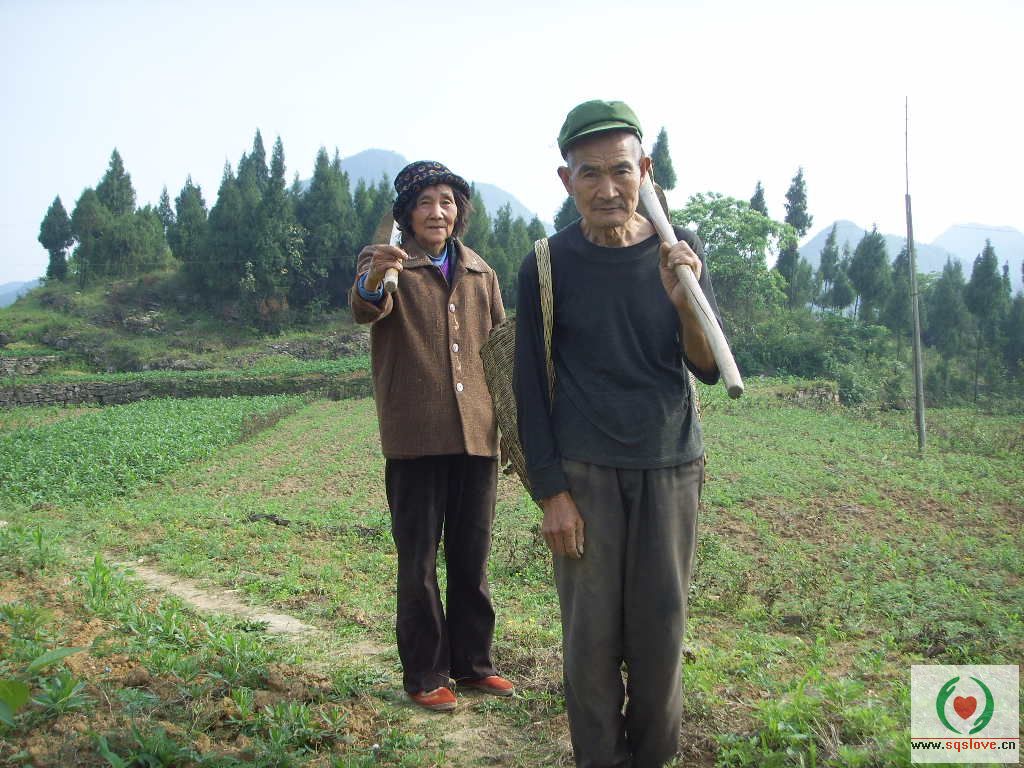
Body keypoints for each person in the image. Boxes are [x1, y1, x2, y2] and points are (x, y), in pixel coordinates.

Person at [513, 101, 724, 767]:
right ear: (566, 179)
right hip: (585, 475)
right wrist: (551, 493)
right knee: (590, 645)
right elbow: (527, 386)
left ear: (646, 171)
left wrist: (683, 301)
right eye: (590, 174)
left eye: (621, 171)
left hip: (670, 466)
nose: (607, 189)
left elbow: (706, 365)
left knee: (661, 641)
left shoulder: (678, 250)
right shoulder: (547, 264)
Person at [351, 160, 513, 712]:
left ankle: (473, 665)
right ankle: (425, 674)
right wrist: (374, 276)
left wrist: (512, 427)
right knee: (418, 561)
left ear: (458, 211)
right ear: (406, 214)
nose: (437, 212)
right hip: (415, 437)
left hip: (477, 437)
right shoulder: (388, 263)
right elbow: (365, 306)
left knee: (472, 557)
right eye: (424, 202)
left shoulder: (480, 272)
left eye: (446, 201)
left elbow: (499, 351)